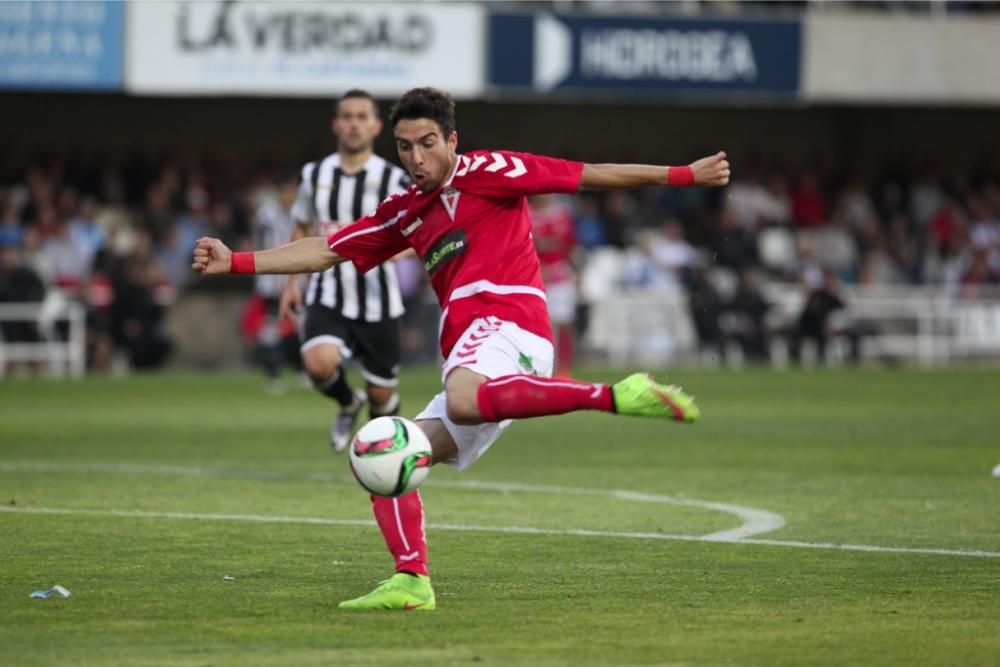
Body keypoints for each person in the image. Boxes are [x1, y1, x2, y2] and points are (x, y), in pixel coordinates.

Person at [193, 87, 730, 611]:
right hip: (471, 349)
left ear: (453, 140)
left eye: (427, 143)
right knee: (383, 453)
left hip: (510, 322)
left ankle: (613, 394)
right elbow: (326, 249)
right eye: (405, 147)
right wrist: (236, 260)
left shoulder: (493, 170)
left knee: (466, 397)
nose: (416, 157)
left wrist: (686, 176)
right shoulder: (405, 209)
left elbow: (588, 175)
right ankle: (411, 580)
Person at [278, 89, 412, 452]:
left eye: (361, 117)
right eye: (347, 117)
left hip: (378, 298)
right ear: (336, 125)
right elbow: (303, 227)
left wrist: (397, 253)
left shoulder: (395, 180)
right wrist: (293, 283)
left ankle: (389, 452)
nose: (354, 124)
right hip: (327, 289)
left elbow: (418, 232)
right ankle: (347, 403)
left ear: (376, 126)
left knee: (382, 394)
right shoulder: (314, 174)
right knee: (318, 364)